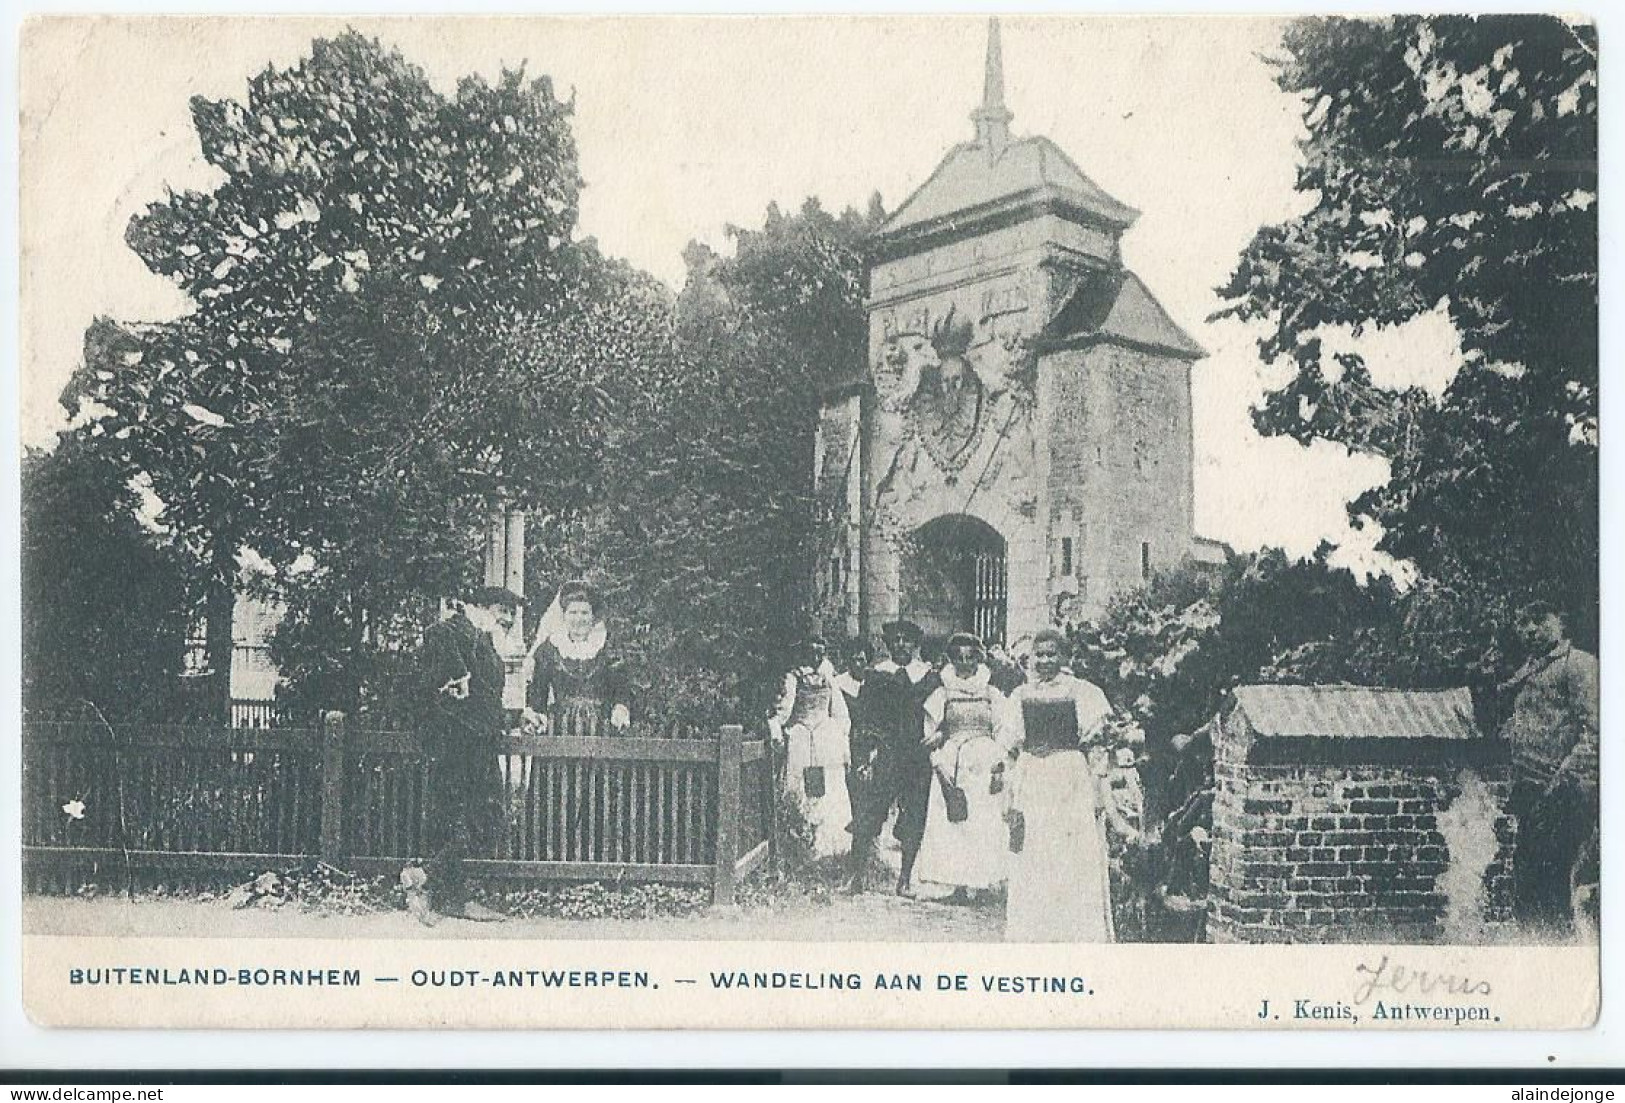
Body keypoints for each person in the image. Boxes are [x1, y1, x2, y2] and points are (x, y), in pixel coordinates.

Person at [1001, 628, 1121, 941]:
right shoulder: (1021, 695)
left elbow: (1098, 743)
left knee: (1070, 852)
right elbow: (1010, 745)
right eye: (1039, 655)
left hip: (1069, 778)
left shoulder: (1083, 692)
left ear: (1063, 657)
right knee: (1035, 850)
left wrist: (1096, 787)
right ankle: (1036, 930)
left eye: (1051, 654)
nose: (1044, 661)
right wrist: (1009, 786)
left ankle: (1072, 930)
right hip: (1033, 780)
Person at [408, 585, 516, 925]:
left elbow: (486, 701)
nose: (508, 618)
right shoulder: (445, 633)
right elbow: (432, 692)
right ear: (477, 607)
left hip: (479, 745)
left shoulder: (486, 644)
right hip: (453, 745)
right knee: (455, 817)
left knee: (485, 818)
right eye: (502, 609)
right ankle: (440, 892)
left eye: (512, 613)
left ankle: (430, 883)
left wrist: (516, 716)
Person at [1500, 606, 1600, 940]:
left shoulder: (1579, 664)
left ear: (1561, 620)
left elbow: (1594, 732)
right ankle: (1536, 955)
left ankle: (1558, 959)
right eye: (1523, 623)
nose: (1530, 629)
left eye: (1540, 620)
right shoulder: (1530, 669)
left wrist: (1562, 782)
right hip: (1532, 791)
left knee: (1554, 884)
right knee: (1528, 881)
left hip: (1563, 792)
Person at [913, 632, 1013, 904]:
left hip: (983, 762)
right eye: (959, 658)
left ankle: (980, 885)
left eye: (971, 658)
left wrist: (999, 762)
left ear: (979, 659)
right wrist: (937, 754)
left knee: (982, 822)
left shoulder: (990, 693)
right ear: (951, 660)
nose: (965, 664)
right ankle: (957, 884)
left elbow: (1004, 729)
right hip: (953, 762)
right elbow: (930, 733)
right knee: (954, 823)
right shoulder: (942, 694)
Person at [847, 620, 939, 895]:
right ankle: (857, 876)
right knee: (869, 812)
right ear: (888, 644)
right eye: (895, 640)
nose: (900, 645)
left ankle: (905, 879)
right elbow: (864, 718)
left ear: (915, 644)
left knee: (913, 815)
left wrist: (935, 739)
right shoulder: (877, 676)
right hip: (885, 752)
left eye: (906, 640)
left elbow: (939, 714)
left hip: (916, 755)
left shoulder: (928, 677)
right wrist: (866, 754)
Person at [771, 638, 853, 859]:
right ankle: (802, 843)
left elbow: (840, 711)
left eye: (821, 653)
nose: (816, 658)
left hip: (826, 736)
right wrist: (777, 727)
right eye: (812, 653)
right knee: (801, 786)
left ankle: (828, 847)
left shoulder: (829, 678)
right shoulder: (794, 678)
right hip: (801, 736)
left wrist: (841, 736)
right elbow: (785, 709)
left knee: (829, 788)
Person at [524, 580, 631, 737]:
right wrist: (536, 717)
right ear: (564, 616)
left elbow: (621, 691)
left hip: (601, 727)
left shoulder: (608, 649)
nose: (578, 619)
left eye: (584, 613)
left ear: (592, 617)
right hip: (561, 726)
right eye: (573, 612)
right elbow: (538, 695)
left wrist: (620, 709)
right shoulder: (549, 650)